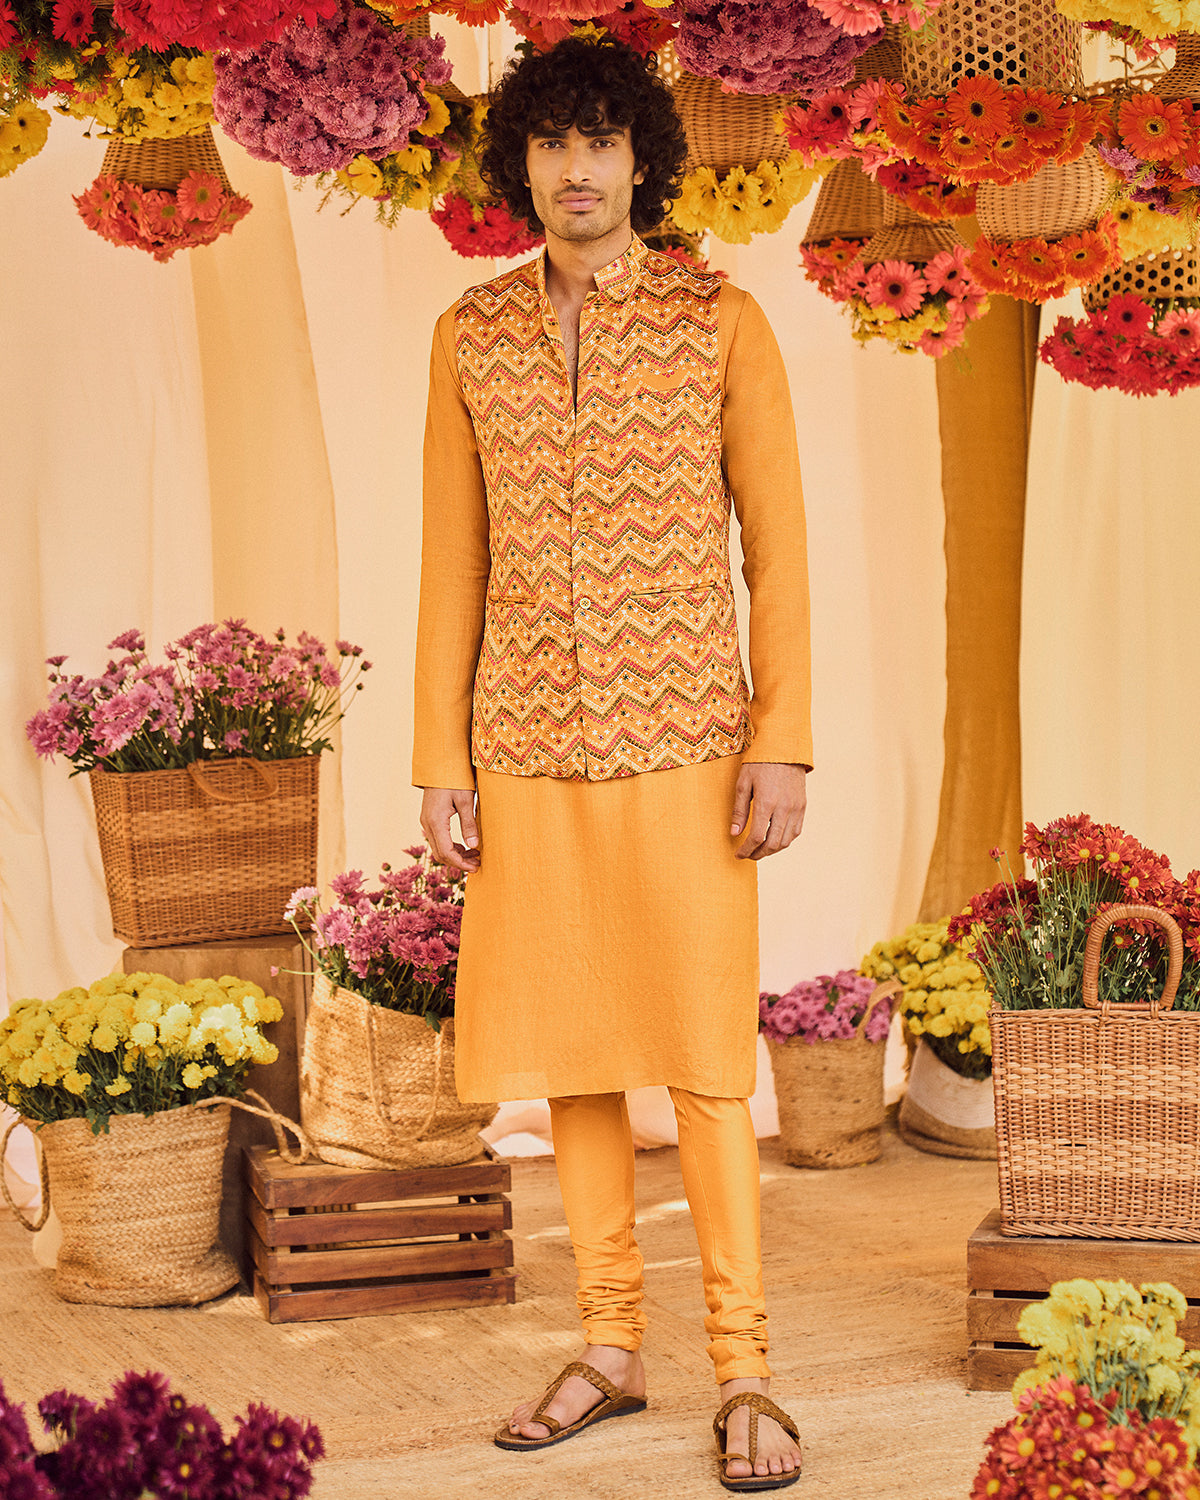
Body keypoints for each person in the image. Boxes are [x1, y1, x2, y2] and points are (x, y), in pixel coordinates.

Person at [413, 34, 811, 1492]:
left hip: (691, 745)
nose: (575, 170)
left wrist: (784, 740)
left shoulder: (722, 320)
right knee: (570, 1052)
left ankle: (745, 1366)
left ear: (644, 159)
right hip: (524, 744)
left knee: (703, 1059)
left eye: (601, 142)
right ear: (519, 163)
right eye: (550, 143)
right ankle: (609, 1345)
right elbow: (451, 561)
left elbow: (780, 552)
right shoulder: (469, 334)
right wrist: (439, 757)